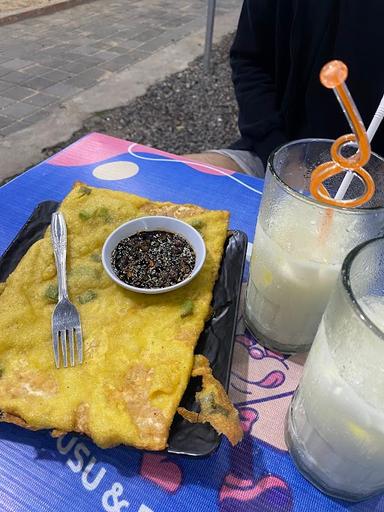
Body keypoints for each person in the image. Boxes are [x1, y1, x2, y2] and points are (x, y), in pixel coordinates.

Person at [185, 0, 384, 177]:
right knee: (171, 181)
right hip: (276, 152)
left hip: (372, 179)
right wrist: (282, 157)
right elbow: (250, 62)